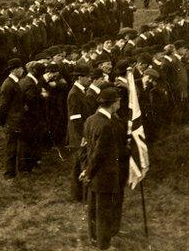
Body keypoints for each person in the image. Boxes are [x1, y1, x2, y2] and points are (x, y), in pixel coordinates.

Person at [82, 87, 126, 250]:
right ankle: (103, 244)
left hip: (94, 175)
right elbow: (99, 155)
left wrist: (86, 171)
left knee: (94, 208)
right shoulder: (107, 126)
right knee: (104, 212)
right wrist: (89, 172)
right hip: (105, 175)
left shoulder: (90, 120)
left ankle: (94, 238)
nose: (119, 104)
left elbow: (86, 149)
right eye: (118, 101)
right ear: (113, 104)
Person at [66, 64, 92, 202]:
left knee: (78, 165)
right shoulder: (75, 94)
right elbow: (75, 118)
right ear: (79, 77)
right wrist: (83, 135)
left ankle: (77, 195)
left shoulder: (80, 91)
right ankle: (81, 195)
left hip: (79, 135)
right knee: (81, 164)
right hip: (78, 136)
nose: (89, 79)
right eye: (87, 76)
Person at [0, 58, 25, 179]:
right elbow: (4, 106)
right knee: (11, 147)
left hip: (16, 118)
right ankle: (9, 174)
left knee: (15, 146)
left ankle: (14, 171)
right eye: (20, 68)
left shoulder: (14, 82)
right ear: (14, 70)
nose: (22, 70)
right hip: (12, 120)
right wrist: (1, 121)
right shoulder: (8, 84)